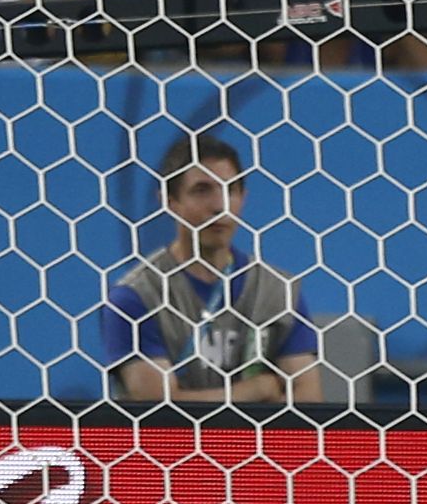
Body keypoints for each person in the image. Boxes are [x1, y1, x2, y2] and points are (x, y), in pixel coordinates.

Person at [104, 129, 331, 408]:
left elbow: (309, 401)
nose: (220, 206)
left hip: (258, 449)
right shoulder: (136, 296)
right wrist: (256, 390)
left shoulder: (276, 291)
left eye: (230, 190)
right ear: (169, 201)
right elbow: (157, 409)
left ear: (243, 198)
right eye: (202, 190)